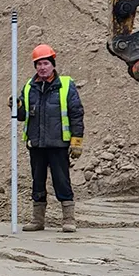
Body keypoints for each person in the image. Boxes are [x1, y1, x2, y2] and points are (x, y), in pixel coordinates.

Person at [11, 44, 84, 233]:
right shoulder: (29, 87)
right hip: (36, 143)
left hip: (58, 143)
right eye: (38, 64)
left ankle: (69, 219)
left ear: (52, 64)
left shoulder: (66, 85)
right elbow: (21, 116)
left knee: (62, 180)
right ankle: (38, 220)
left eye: (45, 63)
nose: (42, 68)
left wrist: (76, 141)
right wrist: (15, 106)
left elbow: (76, 114)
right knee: (37, 181)